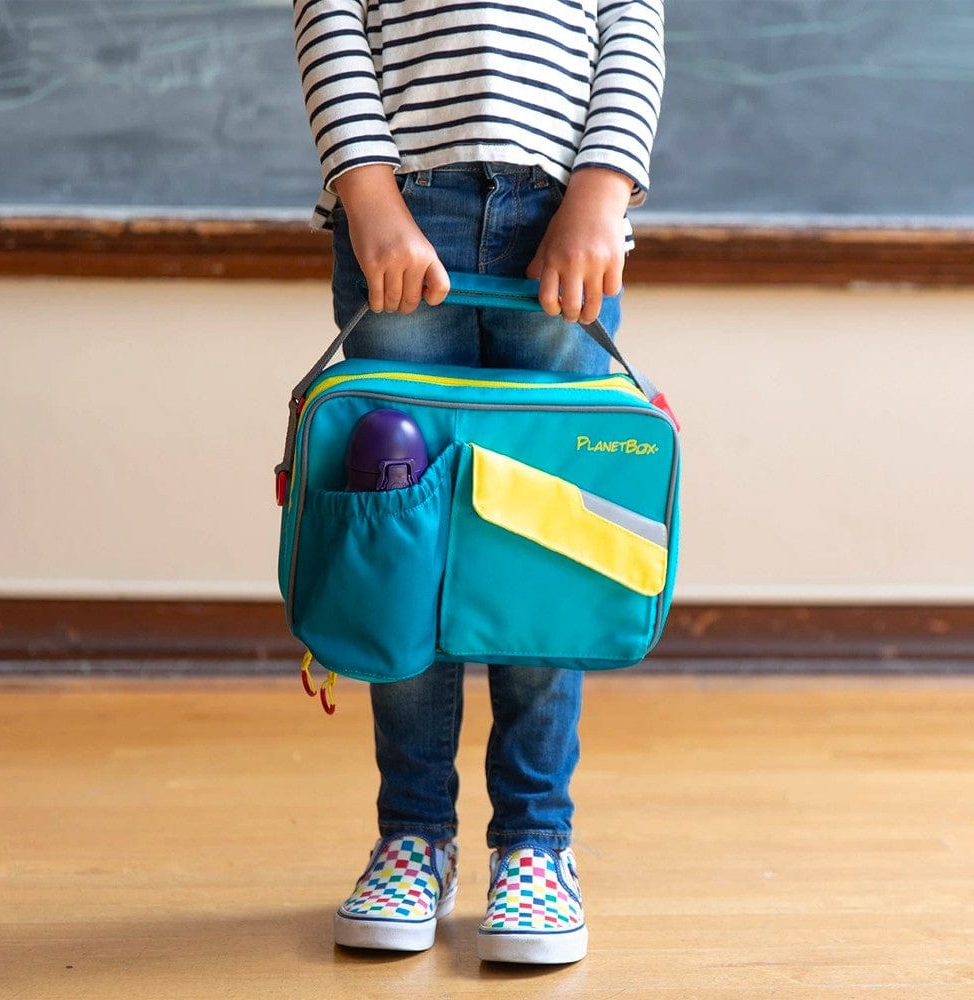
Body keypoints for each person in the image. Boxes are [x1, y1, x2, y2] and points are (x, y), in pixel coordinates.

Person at [291, 0, 665, 965]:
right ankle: (414, 833)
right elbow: (331, 20)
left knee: (546, 542)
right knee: (396, 532)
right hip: (401, 211)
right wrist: (370, 202)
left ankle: (536, 846)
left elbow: (631, 27)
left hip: (566, 213)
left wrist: (601, 195)